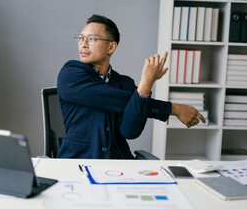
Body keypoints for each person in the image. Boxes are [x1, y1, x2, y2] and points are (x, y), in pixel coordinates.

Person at [57, 14, 205, 159]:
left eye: (91, 39)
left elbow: (130, 131)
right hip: (78, 162)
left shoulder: (124, 83)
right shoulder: (70, 74)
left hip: (120, 165)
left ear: (111, 47)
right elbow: (115, 99)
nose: (83, 44)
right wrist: (172, 107)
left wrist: (144, 87)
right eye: (81, 38)